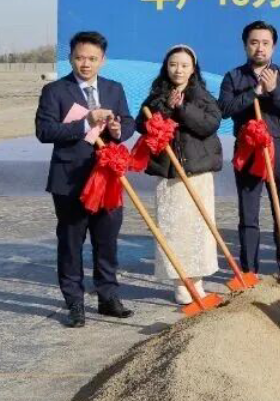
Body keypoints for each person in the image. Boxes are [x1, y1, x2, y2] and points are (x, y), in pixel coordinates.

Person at [35, 31, 136, 327]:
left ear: (103, 60)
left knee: (107, 240)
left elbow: (128, 122)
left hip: (107, 177)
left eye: (92, 58)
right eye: (80, 58)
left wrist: (118, 130)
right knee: (71, 242)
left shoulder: (114, 88)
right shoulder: (55, 91)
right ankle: (74, 302)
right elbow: (44, 131)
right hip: (70, 179)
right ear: (70, 58)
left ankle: (108, 297)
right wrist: (85, 123)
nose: (86, 64)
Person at [137, 45, 222, 304]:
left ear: (193, 69)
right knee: (174, 230)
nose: (178, 70)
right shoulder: (156, 97)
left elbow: (210, 124)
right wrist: (166, 107)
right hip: (170, 174)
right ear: (166, 67)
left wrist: (183, 108)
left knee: (199, 230)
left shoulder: (202, 96)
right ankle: (181, 285)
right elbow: (142, 123)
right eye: (173, 64)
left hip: (197, 173)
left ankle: (198, 282)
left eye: (184, 65)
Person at [218, 21, 280, 274]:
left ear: (273, 47)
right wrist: (254, 92)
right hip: (248, 150)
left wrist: (274, 91)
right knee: (249, 214)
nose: (260, 48)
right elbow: (225, 109)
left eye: (265, 43)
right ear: (245, 45)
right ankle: (249, 272)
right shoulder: (233, 77)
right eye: (254, 43)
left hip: (278, 147)